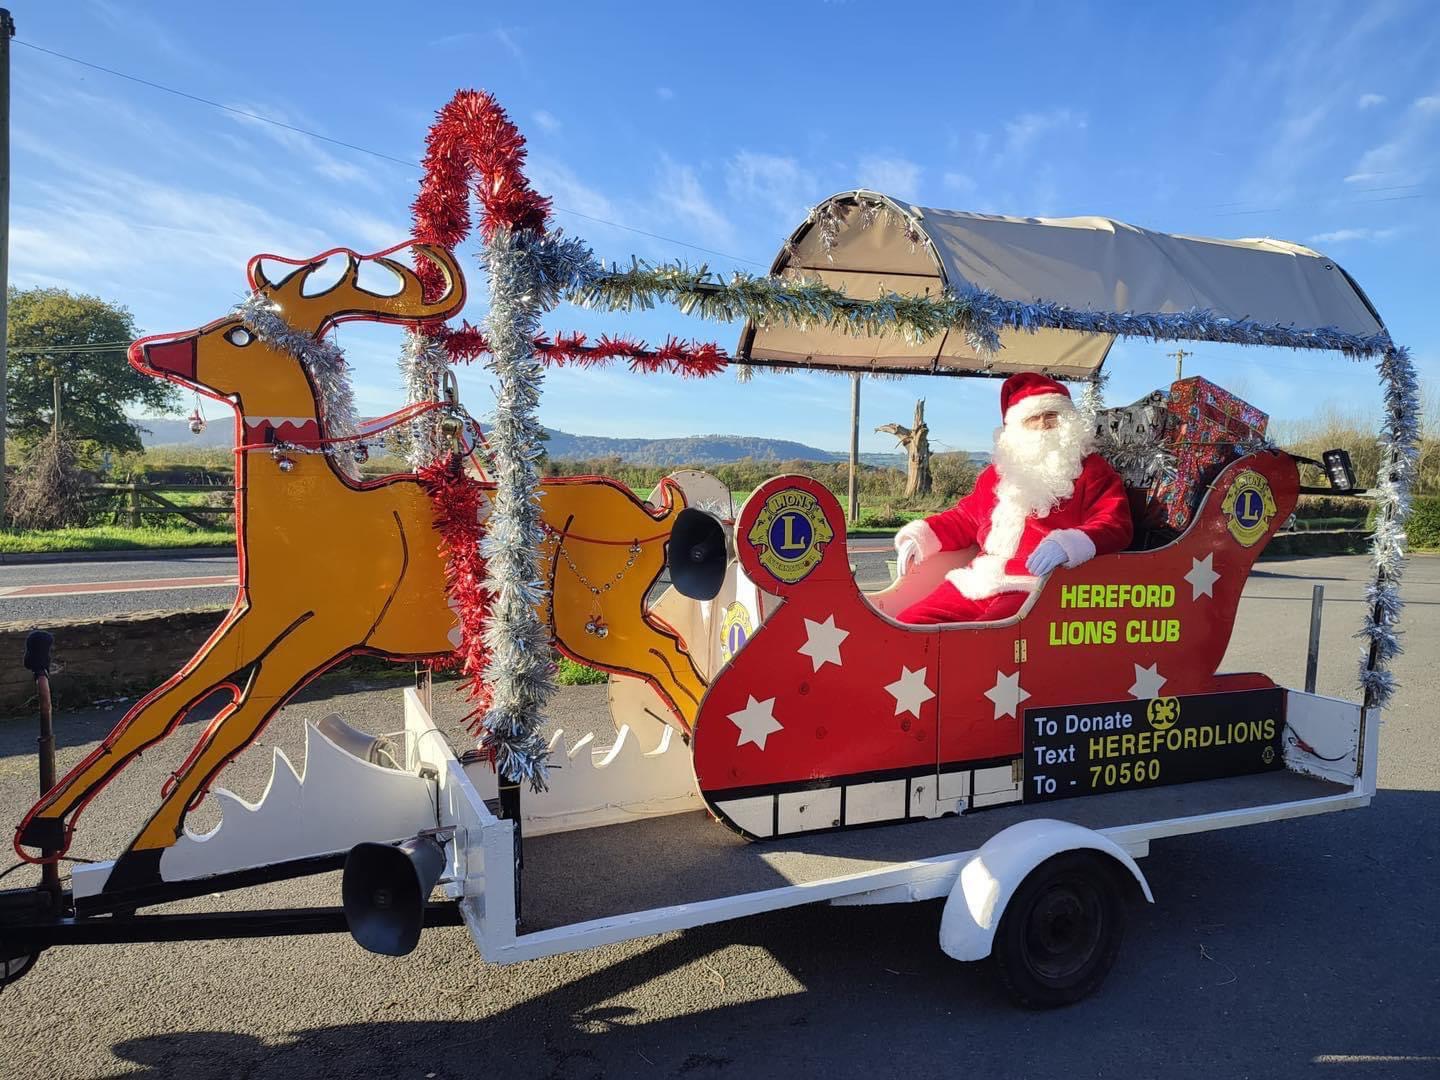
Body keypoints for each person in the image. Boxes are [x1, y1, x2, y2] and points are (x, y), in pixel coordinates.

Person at [893, 372, 1132, 624]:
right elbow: (965, 518)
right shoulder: (998, 473)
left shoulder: (1092, 471)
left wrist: (1068, 544)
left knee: (989, 640)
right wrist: (923, 536)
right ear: (1015, 428)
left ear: (1068, 423)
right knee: (912, 623)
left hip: (1041, 586)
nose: (1043, 425)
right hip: (979, 579)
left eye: (1052, 416)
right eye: (1032, 418)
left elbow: (1115, 523)